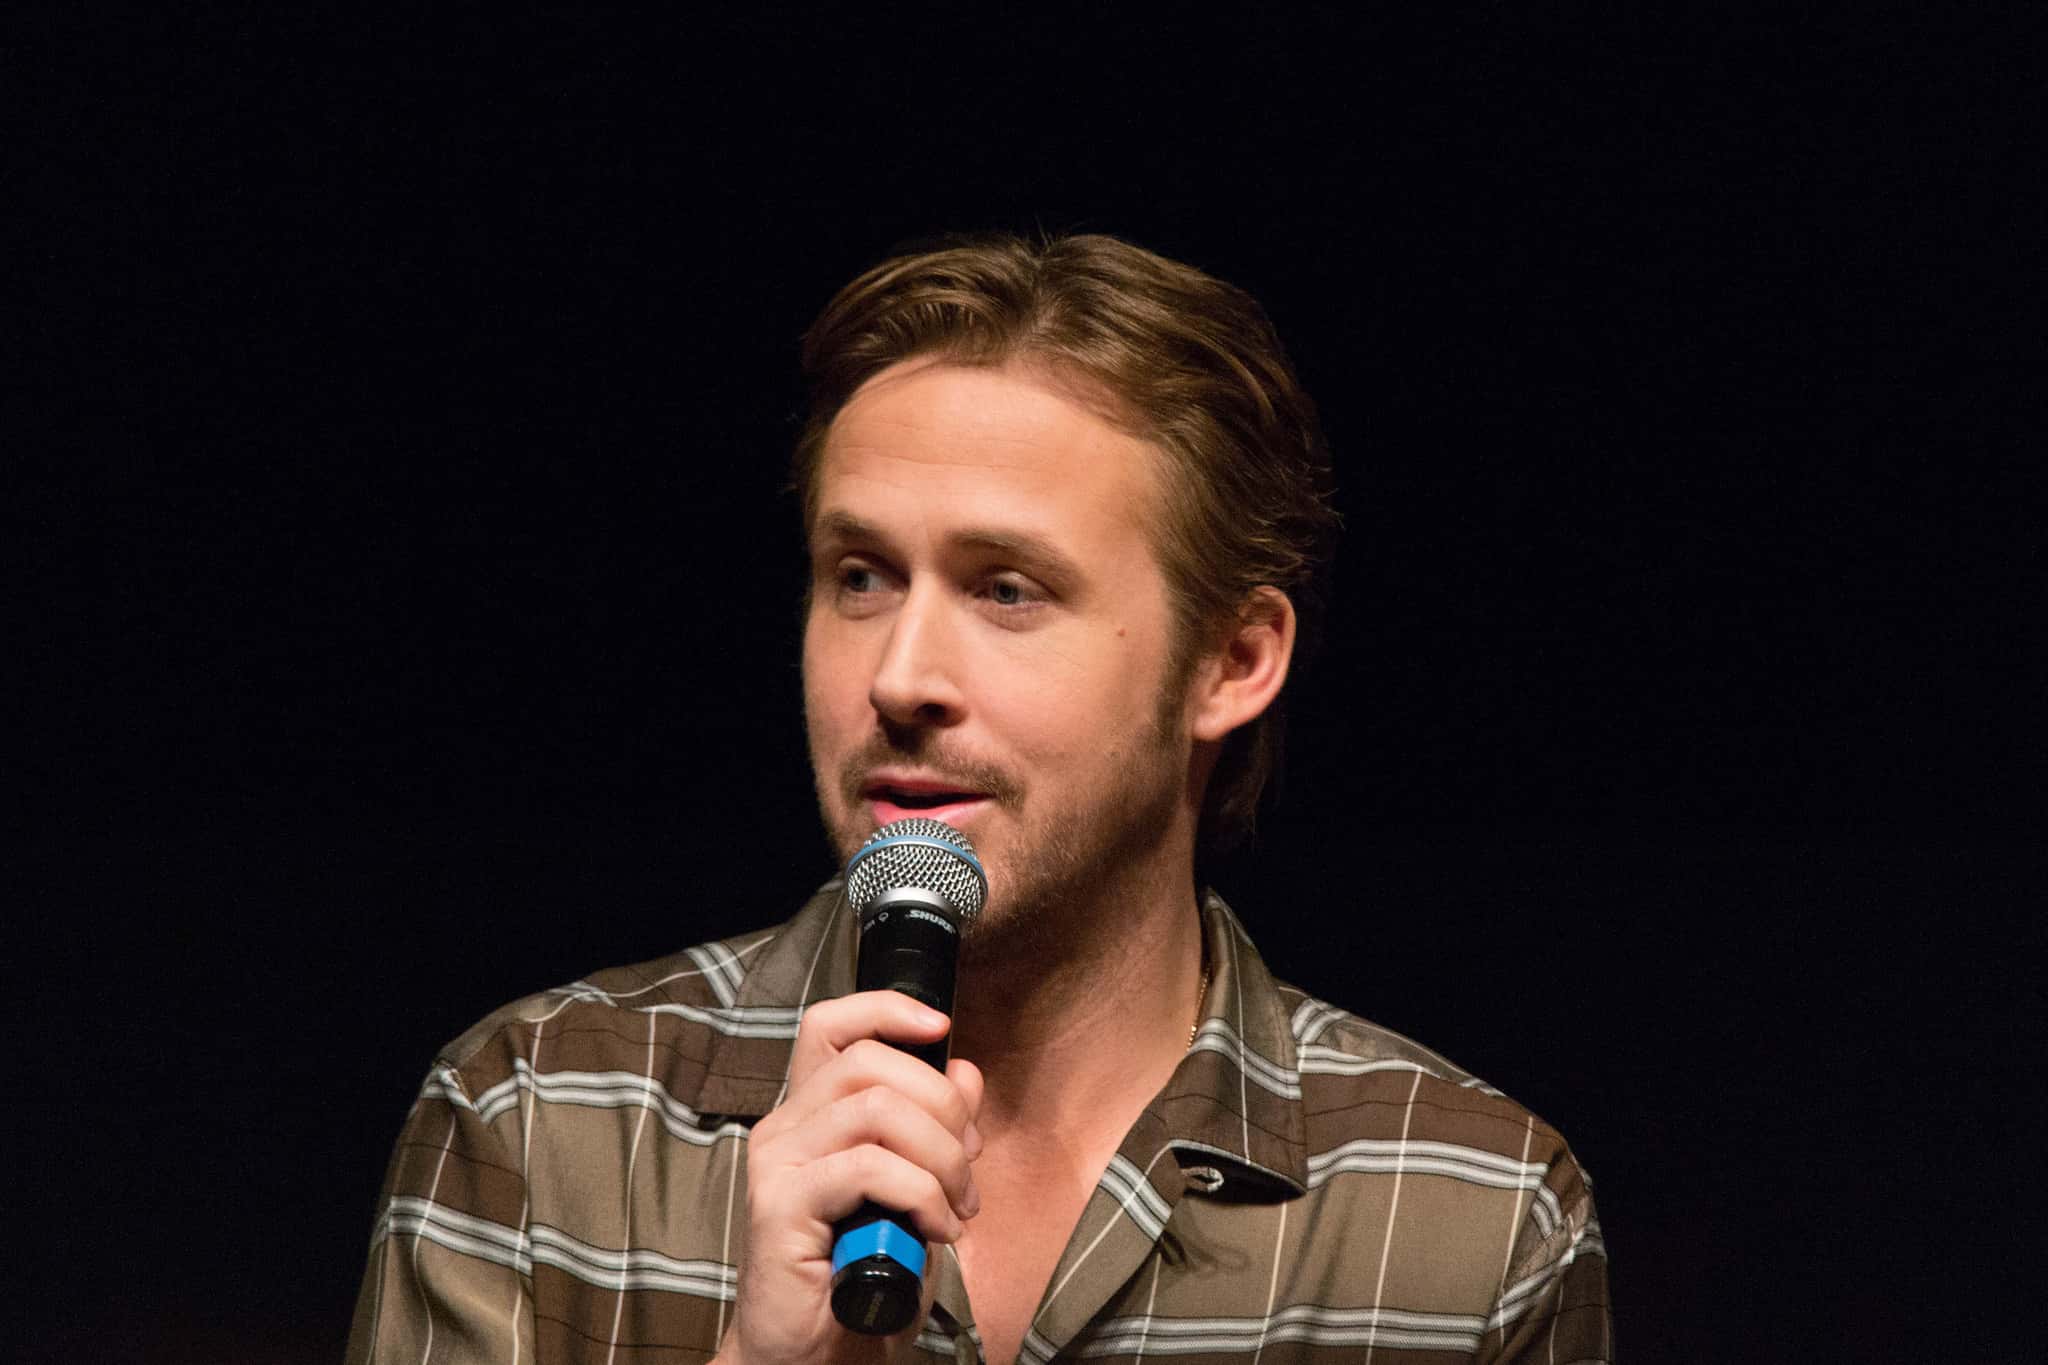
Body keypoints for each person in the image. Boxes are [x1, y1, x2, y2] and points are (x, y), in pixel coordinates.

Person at [345, 233, 1611, 1363]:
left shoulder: (1466, 1216)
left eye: (1006, 590)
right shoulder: (542, 1122)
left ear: (1231, 662)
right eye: (860, 576)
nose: (899, 677)